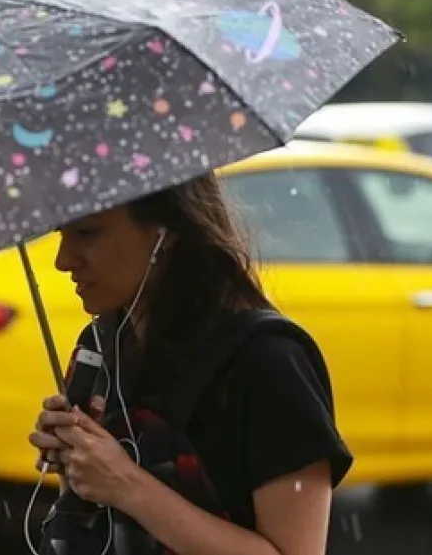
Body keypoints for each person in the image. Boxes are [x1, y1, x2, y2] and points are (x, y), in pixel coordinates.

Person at [28, 171, 352, 555]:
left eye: (87, 232)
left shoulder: (268, 361)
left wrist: (126, 483)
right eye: (60, 233)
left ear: (165, 231)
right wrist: (79, 461)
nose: (64, 260)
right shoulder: (100, 346)